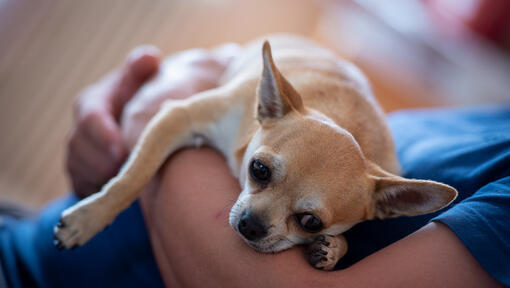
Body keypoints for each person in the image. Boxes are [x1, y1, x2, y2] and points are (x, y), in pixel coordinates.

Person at [0, 43, 508, 288]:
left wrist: (157, 120)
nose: (254, 219)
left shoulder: (383, 189)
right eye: (260, 174)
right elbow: (202, 71)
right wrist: (141, 92)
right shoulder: (285, 105)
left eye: (305, 221)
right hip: (27, 246)